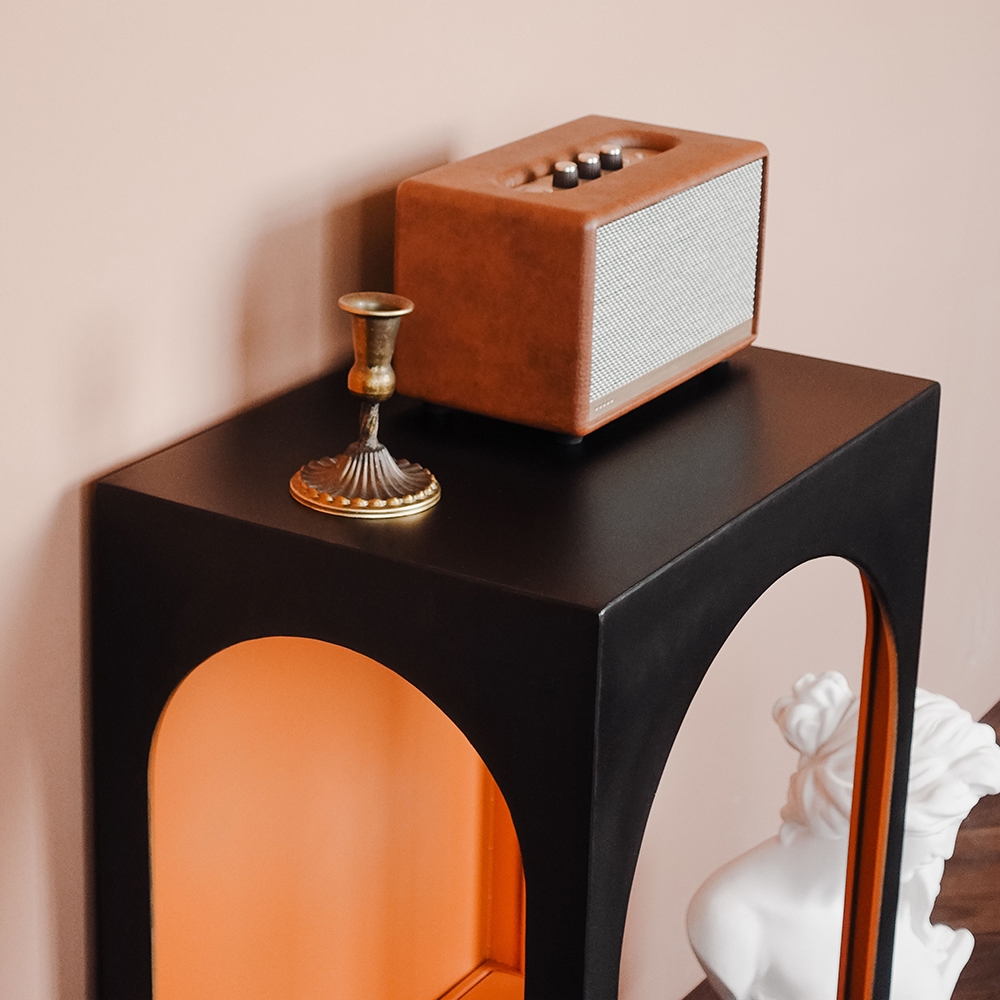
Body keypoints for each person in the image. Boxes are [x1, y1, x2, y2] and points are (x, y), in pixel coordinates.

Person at [686, 672, 1000, 1000]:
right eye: (942, 826)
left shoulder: (901, 890)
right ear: (871, 810)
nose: (947, 849)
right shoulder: (728, 919)